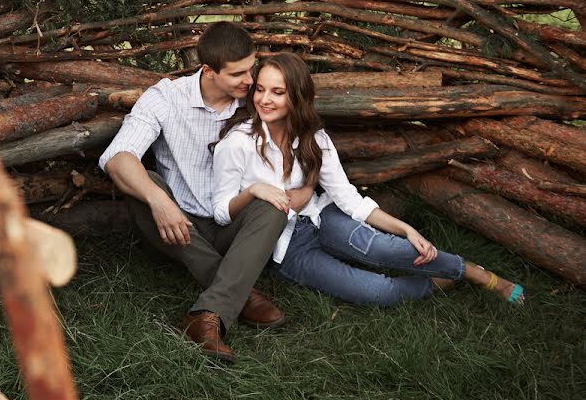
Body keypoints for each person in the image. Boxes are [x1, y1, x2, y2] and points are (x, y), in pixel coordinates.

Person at [212, 53, 525, 308]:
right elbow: (221, 212)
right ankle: (436, 282)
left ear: (297, 96)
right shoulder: (238, 144)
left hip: (321, 218)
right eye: (261, 89)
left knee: (385, 250)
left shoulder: (314, 139)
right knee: (375, 292)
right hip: (285, 247)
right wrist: (255, 191)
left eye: (278, 92)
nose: (265, 99)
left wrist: (406, 229)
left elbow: (348, 198)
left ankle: (478, 274)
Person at [99, 22, 314, 363]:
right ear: (209, 71)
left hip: (232, 221)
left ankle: (207, 314)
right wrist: (159, 202)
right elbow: (116, 158)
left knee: (272, 203)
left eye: (251, 68)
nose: (250, 81)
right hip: (178, 224)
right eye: (238, 74)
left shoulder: (256, 103)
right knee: (146, 183)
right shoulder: (167, 98)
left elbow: (305, 144)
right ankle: (239, 293)